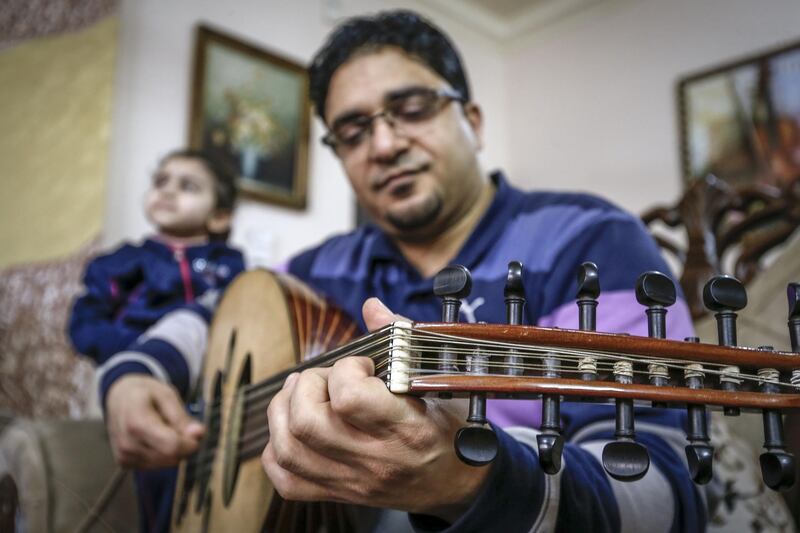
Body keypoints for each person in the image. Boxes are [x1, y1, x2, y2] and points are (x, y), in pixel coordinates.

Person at [98, 11, 706, 533]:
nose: (384, 144)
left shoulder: (591, 241)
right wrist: (135, 374)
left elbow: (669, 495)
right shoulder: (324, 266)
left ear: (473, 120)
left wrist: (473, 482)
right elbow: (209, 314)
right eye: (353, 130)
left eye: (411, 108)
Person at [68, 148, 245, 531]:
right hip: (139, 380)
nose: (167, 191)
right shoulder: (122, 262)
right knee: (159, 473)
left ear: (220, 216)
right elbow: (85, 322)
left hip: (209, 391)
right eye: (161, 181)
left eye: (188, 186)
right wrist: (133, 356)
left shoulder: (231, 267)